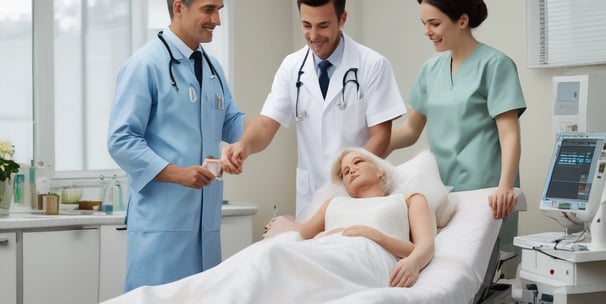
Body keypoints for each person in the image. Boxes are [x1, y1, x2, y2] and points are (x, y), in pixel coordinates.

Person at [100, 147, 435, 303]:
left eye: (357, 162)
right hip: (325, 249)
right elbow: (302, 233)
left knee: (272, 260)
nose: (349, 170)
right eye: (344, 171)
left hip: (364, 256)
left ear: (380, 170)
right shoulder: (336, 203)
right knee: (264, 254)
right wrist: (283, 225)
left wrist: (373, 235)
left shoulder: (407, 200)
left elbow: (424, 248)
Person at [107, 0, 245, 291]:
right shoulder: (144, 65)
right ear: (179, 7)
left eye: (219, 9)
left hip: (204, 229)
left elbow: (232, 123)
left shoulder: (212, 68)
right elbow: (121, 139)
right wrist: (177, 173)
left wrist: (272, 120)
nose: (217, 19)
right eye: (209, 9)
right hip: (162, 228)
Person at [222, 0, 406, 218]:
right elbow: (265, 124)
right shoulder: (291, 67)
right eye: (306, 25)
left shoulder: (372, 64)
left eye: (323, 26)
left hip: (357, 194)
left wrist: (346, 177)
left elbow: (381, 136)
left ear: (342, 19)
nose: (314, 35)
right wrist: (243, 146)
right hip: (311, 198)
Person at [387, 0, 526, 251]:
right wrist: (366, 150)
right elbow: (410, 130)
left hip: (487, 193)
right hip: (441, 194)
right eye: (424, 24)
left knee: (485, 272)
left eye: (434, 23)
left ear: (462, 21)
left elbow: (509, 134)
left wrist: (505, 187)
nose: (427, 31)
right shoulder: (430, 70)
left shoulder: (495, 65)